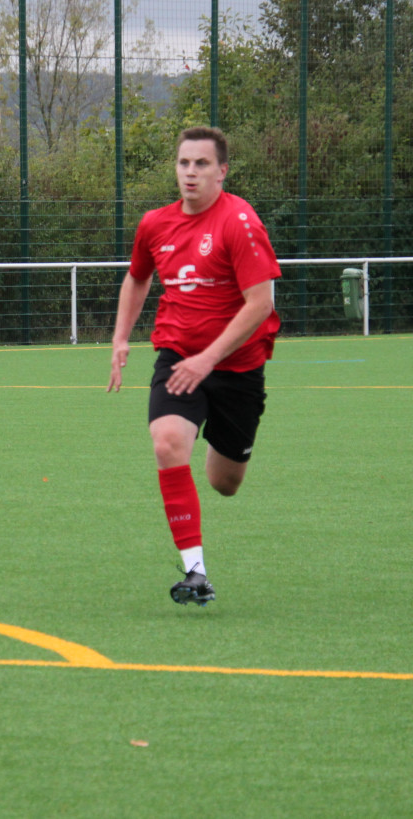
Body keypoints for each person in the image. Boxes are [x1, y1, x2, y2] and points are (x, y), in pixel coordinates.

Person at [107, 126, 282, 607]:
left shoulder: (239, 222)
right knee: (166, 442)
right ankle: (195, 572)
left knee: (225, 483)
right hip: (179, 357)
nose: (191, 172)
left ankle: (222, 450)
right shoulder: (155, 225)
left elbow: (260, 302)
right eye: (184, 163)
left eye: (202, 164)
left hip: (237, 368)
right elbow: (138, 278)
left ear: (222, 171)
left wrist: (210, 359)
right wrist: (121, 339)